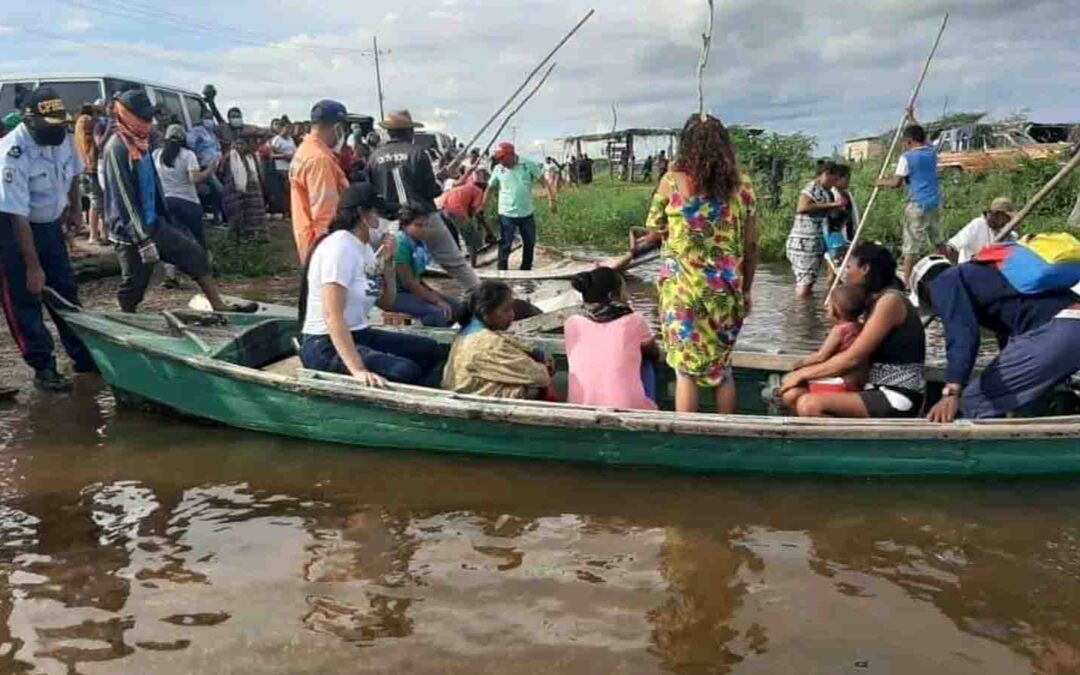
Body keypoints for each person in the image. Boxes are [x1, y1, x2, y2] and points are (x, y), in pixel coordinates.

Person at [101, 90, 253, 314]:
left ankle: (218, 305)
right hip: (130, 232)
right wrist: (141, 239)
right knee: (135, 283)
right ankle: (125, 317)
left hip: (154, 222)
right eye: (142, 117)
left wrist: (163, 219)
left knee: (194, 255)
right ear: (125, 115)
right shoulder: (117, 148)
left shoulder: (141, 143)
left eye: (148, 117)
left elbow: (152, 185)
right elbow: (123, 197)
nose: (147, 122)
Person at [645, 114, 758, 414]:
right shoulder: (743, 187)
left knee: (685, 372)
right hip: (726, 290)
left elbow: (655, 226)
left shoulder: (671, 181)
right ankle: (728, 435)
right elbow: (752, 245)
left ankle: (687, 437)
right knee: (724, 371)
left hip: (683, 291)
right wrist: (746, 291)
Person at [299, 182, 445, 387]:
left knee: (431, 350)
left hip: (360, 334)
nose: (384, 222)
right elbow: (333, 316)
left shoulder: (365, 249)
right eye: (378, 214)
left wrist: (387, 263)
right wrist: (358, 370)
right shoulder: (339, 247)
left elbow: (385, 301)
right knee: (405, 370)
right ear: (362, 214)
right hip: (325, 344)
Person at [0, 87, 96, 391]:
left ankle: (82, 356)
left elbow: (74, 175)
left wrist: (75, 210)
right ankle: (43, 366)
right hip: (13, 229)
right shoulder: (12, 153)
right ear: (29, 121)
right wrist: (32, 267)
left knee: (65, 290)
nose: (58, 131)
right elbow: (18, 216)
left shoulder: (63, 136)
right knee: (24, 296)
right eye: (50, 125)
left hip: (49, 223)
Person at [780, 243, 926, 418]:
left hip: (898, 393)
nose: (845, 272)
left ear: (865, 268)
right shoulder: (873, 301)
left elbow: (853, 359)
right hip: (871, 387)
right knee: (793, 395)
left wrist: (802, 374)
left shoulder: (890, 302)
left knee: (809, 404)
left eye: (849, 267)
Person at [924, 260, 1080, 423]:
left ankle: (985, 448)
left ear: (925, 285)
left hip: (1061, 328)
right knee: (1016, 398)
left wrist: (952, 392)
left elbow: (962, 337)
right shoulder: (986, 274)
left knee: (974, 401)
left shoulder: (944, 282)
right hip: (1070, 321)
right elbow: (1007, 343)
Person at [368, 110, 479, 292]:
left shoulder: (374, 157)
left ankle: (394, 302)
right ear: (410, 132)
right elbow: (432, 190)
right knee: (455, 263)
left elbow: (374, 192)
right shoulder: (418, 153)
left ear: (389, 133)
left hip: (390, 221)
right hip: (422, 218)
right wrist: (440, 179)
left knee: (386, 265)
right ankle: (480, 297)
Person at [564, 267, 659, 410]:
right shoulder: (634, 321)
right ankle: (649, 407)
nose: (626, 294)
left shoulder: (571, 323)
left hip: (578, 407)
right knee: (647, 363)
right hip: (629, 409)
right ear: (612, 295)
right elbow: (655, 354)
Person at [441, 281, 555, 399]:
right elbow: (541, 377)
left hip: (461, 389)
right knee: (536, 388)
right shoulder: (490, 344)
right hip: (471, 398)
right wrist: (545, 365)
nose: (512, 315)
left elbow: (507, 340)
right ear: (486, 312)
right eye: (506, 310)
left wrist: (533, 352)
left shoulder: (467, 331)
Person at [875, 110, 943, 283]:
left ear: (909, 142)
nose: (903, 145)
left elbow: (896, 183)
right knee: (938, 240)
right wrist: (912, 119)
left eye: (905, 142)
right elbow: (923, 135)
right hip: (934, 203)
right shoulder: (931, 152)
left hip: (917, 204)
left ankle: (907, 283)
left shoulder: (907, 157)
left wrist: (880, 182)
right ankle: (952, 267)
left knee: (910, 247)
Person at [780, 284, 869, 411]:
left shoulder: (840, 330)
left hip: (840, 384)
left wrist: (801, 364)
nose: (826, 307)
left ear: (835, 309)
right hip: (856, 383)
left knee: (788, 388)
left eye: (829, 305)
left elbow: (821, 356)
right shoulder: (862, 327)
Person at [289, 100, 350, 262]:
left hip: (309, 240)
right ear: (337, 128)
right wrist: (331, 254)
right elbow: (325, 214)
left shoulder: (305, 151)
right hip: (322, 248)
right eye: (344, 129)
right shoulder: (319, 160)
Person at [486, 142, 557, 271]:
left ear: (511, 155)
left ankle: (526, 270)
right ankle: (502, 270)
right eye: (499, 159)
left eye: (502, 158)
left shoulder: (528, 164)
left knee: (530, 243)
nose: (501, 161)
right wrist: (482, 206)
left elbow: (544, 183)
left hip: (527, 213)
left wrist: (551, 200)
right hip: (506, 213)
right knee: (505, 244)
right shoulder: (498, 169)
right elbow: (490, 188)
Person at [391, 207, 464, 327]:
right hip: (395, 294)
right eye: (418, 226)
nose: (423, 230)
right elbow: (409, 283)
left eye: (426, 226)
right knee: (440, 312)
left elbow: (417, 278)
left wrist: (434, 294)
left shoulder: (418, 243)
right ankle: (434, 343)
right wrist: (436, 300)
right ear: (405, 226)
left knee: (458, 306)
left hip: (410, 290)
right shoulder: (400, 243)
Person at [153, 124, 215, 250]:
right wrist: (210, 170)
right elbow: (194, 178)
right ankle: (203, 266)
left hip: (166, 203)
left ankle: (179, 268)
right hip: (188, 203)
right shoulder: (187, 155)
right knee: (198, 241)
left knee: (175, 241)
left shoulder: (156, 154)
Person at [787, 161, 841, 297]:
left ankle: (805, 313)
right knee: (804, 286)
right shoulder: (812, 188)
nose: (834, 183)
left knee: (808, 283)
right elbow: (802, 207)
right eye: (834, 179)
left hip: (814, 242)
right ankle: (801, 315)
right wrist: (832, 205)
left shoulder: (827, 192)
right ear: (825, 174)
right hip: (804, 243)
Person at [438, 168, 490, 267]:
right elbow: (476, 212)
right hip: (454, 210)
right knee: (472, 239)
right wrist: (487, 230)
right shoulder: (479, 192)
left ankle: (452, 264)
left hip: (441, 209)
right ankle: (473, 266)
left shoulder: (466, 186)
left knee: (452, 240)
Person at [945, 197, 1018, 264]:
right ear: (997, 214)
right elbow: (952, 246)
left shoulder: (1010, 235)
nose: (1008, 221)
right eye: (1006, 217)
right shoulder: (977, 225)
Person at [223, 136, 268, 241]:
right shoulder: (228, 157)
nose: (239, 147)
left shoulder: (252, 157)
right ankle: (237, 238)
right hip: (233, 191)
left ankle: (255, 237)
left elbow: (258, 174)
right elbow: (221, 172)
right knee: (237, 214)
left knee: (254, 213)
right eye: (237, 144)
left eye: (242, 144)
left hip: (252, 190)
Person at [186, 109, 226, 223]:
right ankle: (223, 217)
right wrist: (196, 157)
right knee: (220, 191)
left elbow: (217, 148)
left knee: (214, 194)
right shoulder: (197, 131)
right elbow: (190, 144)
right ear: (202, 119)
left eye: (211, 118)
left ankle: (217, 217)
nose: (210, 120)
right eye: (207, 118)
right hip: (204, 167)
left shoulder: (212, 134)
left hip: (216, 167)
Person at [73, 104, 105, 244]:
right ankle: (94, 235)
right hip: (91, 166)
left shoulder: (79, 123)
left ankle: (101, 233)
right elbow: (95, 143)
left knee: (95, 200)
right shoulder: (86, 121)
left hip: (83, 165)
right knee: (96, 201)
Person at [824, 163, 858, 274]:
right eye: (847, 178)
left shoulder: (848, 194)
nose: (848, 181)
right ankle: (830, 291)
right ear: (837, 178)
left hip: (850, 238)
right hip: (835, 240)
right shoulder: (831, 195)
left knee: (846, 271)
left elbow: (854, 216)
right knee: (833, 272)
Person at [270, 118, 297, 215]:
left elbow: (295, 151)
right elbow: (271, 155)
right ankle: (285, 211)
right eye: (287, 128)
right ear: (281, 128)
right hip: (280, 168)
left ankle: (291, 211)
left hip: (290, 167)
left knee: (290, 190)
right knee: (284, 191)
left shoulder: (290, 139)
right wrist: (284, 156)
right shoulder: (276, 140)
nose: (289, 130)